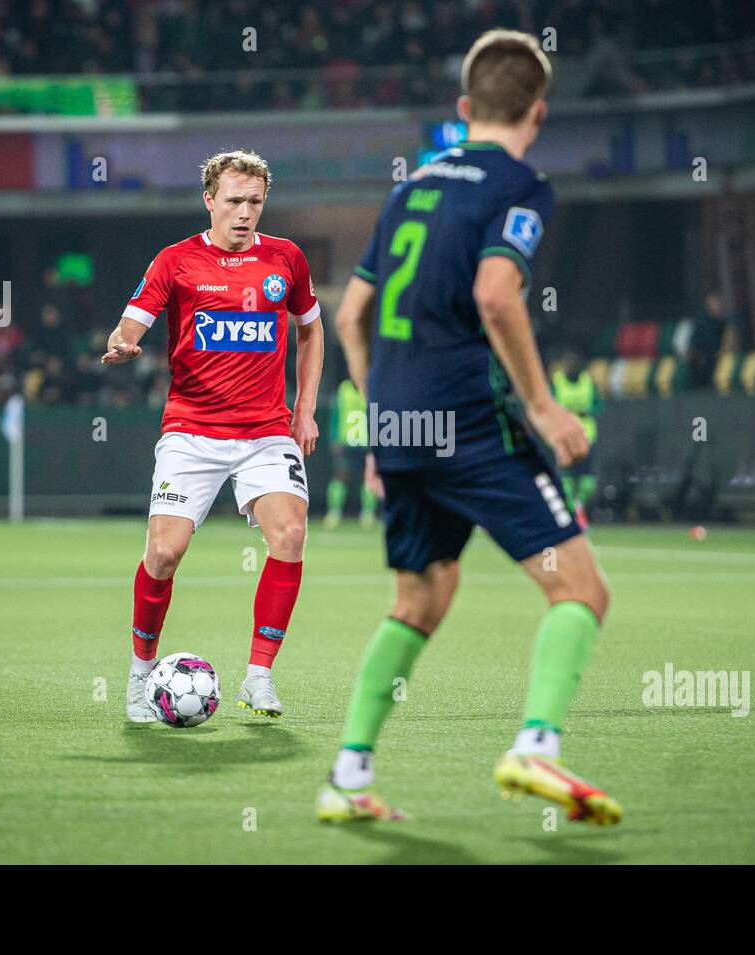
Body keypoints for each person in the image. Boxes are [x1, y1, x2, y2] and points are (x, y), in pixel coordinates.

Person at [321, 29, 619, 825]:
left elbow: (352, 315)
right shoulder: (521, 185)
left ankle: (348, 776)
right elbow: (496, 295)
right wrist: (546, 405)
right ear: (538, 111)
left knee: (420, 596)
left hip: (403, 423)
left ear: (464, 107)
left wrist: (379, 416)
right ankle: (537, 746)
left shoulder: (408, 189)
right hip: (470, 419)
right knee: (581, 589)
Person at [103, 149, 324, 721]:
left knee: (292, 535)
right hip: (191, 430)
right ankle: (138, 676)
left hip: (265, 431)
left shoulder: (287, 259)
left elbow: (311, 330)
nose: (245, 212)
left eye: (255, 201)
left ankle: (259, 676)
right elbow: (135, 317)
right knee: (163, 552)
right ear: (209, 200)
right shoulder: (176, 261)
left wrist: (306, 408)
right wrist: (125, 340)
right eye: (233, 201)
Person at [550, 348, 601, 526]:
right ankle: (570, 514)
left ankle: (578, 507)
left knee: (587, 482)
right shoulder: (557, 382)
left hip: (587, 435)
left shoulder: (588, 381)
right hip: (564, 436)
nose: (572, 366)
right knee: (566, 479)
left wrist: (586, 411)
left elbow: (598, 404)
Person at [325, 376, 377, 529]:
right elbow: (335, 413)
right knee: (340, 476)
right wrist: (334, 437)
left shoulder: (372, 387)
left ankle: (368, 514)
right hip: (345, 441)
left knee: (367, 478)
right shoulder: (343, 389)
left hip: (366, 442)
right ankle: (334, 513)